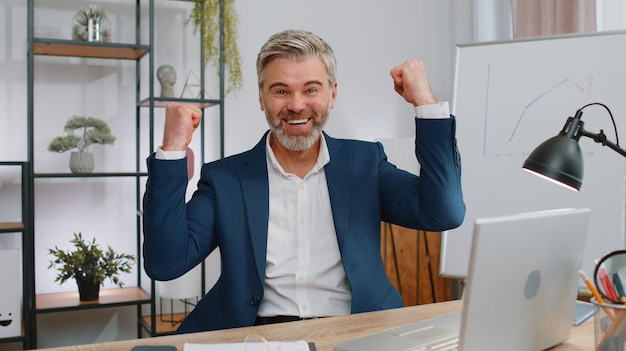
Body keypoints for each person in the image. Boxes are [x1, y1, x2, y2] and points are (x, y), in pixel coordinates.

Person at [142, 29, 465, 334]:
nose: (296, 105)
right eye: (281, 91)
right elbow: (164, 262)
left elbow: (443, 212)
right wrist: (172, 149)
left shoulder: (365, 163)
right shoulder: (225, 178)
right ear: (261, 97)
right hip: (259, 335)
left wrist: (425, 103)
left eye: (311, 89)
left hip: (356, 330)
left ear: (332, 94)